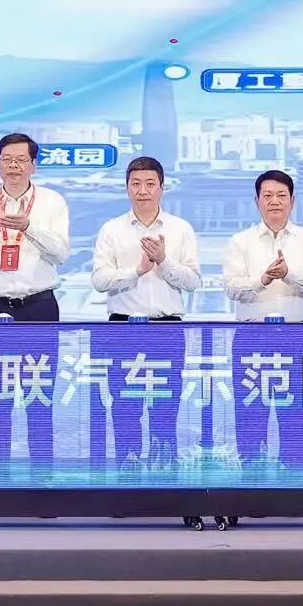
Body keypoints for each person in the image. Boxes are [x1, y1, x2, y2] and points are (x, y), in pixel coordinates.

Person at [0, 133, 70, 471]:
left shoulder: (52, 202)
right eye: (7, 159)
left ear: (33, 165)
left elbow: (61, 254)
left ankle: (42, 478)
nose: (13, 166)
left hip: (39, 307)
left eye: (21, 160)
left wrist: (29, 227)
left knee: (39, 397)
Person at [88, 155, 201, 464]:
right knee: (125, 406)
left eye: (150, 184)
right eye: (136, 183)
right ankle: (128, 474)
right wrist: (136, 271)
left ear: (162, 187)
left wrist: (164, 261)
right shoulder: (112, 230)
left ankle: (165, 474)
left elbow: (193, 281)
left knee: (166, 407)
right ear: (127, 187)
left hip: (166, 329)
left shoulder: (180, 229)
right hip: (123, 329)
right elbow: (99, 280)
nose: (143, 190)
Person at [221, 169, 303, 470]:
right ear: (256, 201)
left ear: (292, 201)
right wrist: (263, 279)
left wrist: (288, 274)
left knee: (299, 415)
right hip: (252, 338)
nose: (274, 201)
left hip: (299, 337)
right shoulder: (240, 241)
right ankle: (252, 481)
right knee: (251, 413)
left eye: (281, 195)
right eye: (267, 195)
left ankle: (297, 484)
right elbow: (232, 288)